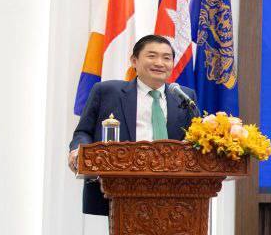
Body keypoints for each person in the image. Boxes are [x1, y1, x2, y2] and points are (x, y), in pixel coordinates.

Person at [68, 34, 197, 215]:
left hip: (172, 193)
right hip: (118, 189)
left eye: (166, 58)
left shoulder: (184, 96)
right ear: (134, 61)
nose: (159, 63)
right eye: (152, 56)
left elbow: (193, 139)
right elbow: (84, 132)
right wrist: (77, 151)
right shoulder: (107, 92)